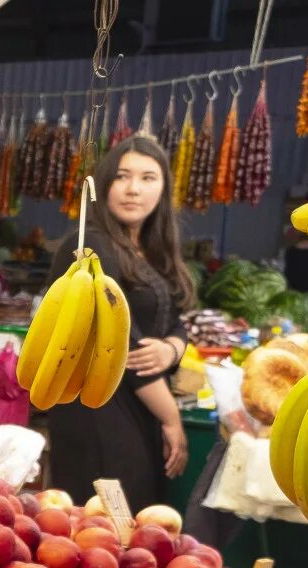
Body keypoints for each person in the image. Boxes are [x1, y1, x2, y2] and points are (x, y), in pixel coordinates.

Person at [42, 136, 197, 511]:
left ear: (163, 188)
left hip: (140, 407)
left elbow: (176, 321)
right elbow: (119, 347)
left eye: (148, 178)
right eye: (123, 176)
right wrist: (172, 417)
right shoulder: (90, 246)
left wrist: (172, 348)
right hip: (97, 412)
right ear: (106, 182)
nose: (133, 189)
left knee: (136, 529)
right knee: (104, 527)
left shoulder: (150, 248)